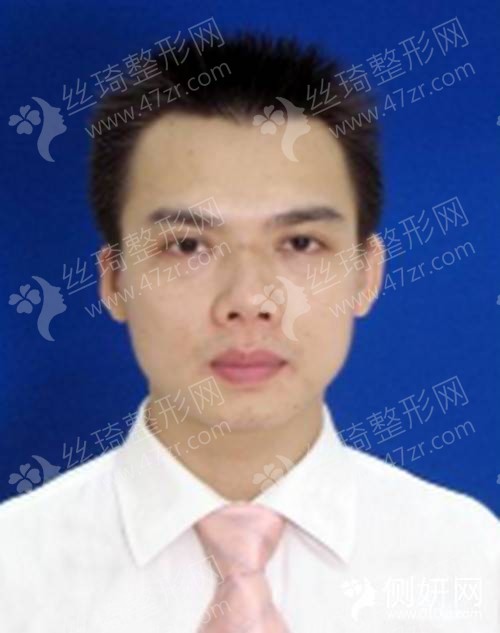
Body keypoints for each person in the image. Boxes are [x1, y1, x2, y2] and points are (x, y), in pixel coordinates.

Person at [0, 31, 498, 633]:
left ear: (366, 275)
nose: (249, 302)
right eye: (188, 246)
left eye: (300, 243)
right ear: (114, 281)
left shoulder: (473, 565)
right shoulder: (14, 571)